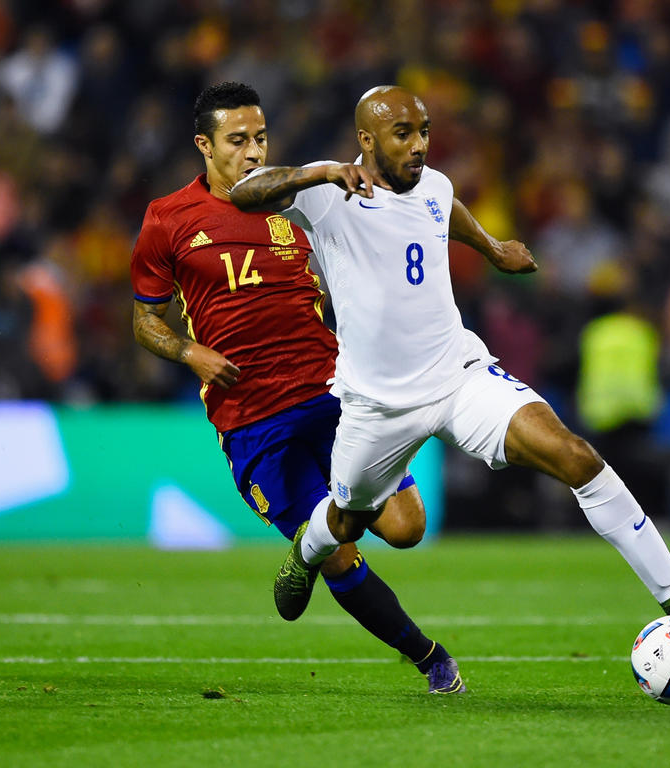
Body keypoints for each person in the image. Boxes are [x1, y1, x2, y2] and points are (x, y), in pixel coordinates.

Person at [231, 85, 670, 630]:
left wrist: (491, 246)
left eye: (425, 132)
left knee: (574, 455)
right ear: (366, 139)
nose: (420, 146)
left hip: (459, 377)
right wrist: (317, 174)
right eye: (403, 134)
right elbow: (245, 193)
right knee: (349, 519)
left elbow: (445, 207)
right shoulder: (329, 190)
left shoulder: (433, 184)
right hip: (377, 402)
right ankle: (305, 552)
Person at [130, 82, 465, 694]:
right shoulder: (168, 219)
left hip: (336, 393)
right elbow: (144, 318)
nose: (253, 152)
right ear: (204, 145)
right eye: (237, 141)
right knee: (340, 552)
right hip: (251, 418)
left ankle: (305, 554)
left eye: (260, 138)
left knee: (407, 528)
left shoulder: (298, 202)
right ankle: (429, 656)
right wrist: (187, 350)